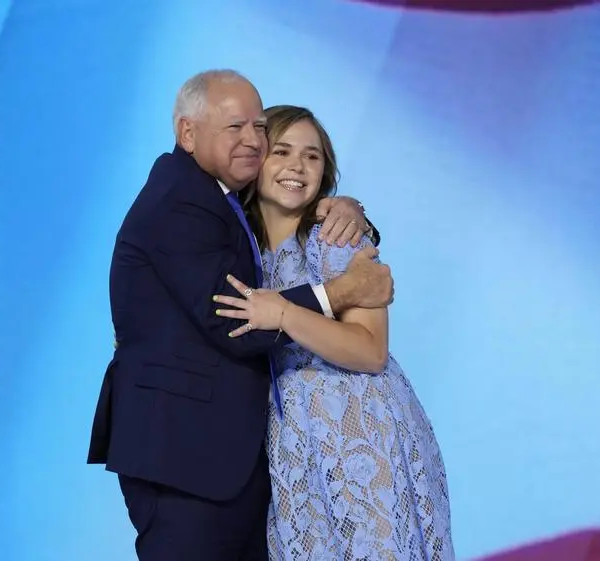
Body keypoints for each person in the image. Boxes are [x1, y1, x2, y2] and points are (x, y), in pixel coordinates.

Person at [86, 70, 394, 561]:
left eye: (258, 128)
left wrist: (352, 209)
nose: (252, 140)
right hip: (187, 459)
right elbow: (237, 324)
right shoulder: (183, 204)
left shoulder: (222, 205)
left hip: (255, 461)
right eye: (236, 128)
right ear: (188, 133)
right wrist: (342, 291)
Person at [214, 105, 455, 561]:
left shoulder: (339, 238)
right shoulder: (239, 247)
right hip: (296, 445)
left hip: (363, 432)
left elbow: (371, 351)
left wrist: (285, 314)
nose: (296, 167)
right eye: (281, 151)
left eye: (313, 157)